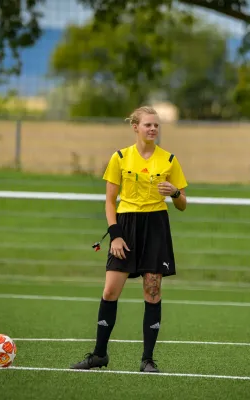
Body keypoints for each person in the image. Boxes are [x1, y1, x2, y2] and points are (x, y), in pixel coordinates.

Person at [70, 106, 188, 372]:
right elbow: (110, 201)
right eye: (148, 125)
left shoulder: (169, 160)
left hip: (156, 226)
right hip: (126, 226)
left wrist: (176, 192)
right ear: (135, 127)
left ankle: (147, 359)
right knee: (110, 290)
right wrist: (116, 235)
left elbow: (182, 205)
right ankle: (99, 355)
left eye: (156, 125)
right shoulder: (120, 157)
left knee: (152, 292)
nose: (153, 129)